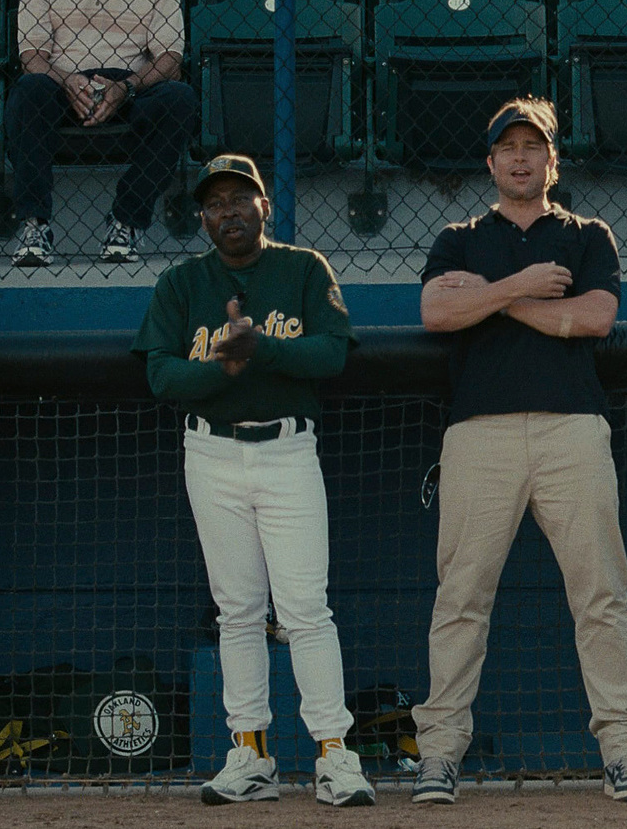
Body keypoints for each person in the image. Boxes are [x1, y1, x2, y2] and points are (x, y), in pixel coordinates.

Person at [410, 97, 627, 805]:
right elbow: (435, 311)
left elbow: (594, 317)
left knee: (601, 592)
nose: (521, 157)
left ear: (553, 159)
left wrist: (489, 301)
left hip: (570, 427)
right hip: (478, 430)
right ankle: (439, 755)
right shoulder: (459, 237)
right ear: (491, 162)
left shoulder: (586, 235)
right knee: (461, 596)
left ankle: (624, 749)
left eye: (533, 146)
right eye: (508, 147)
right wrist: (519, 289)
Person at [132, 154, 374, 807]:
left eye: (241, 199)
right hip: (210, 451)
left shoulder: (301, 268)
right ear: (202, 217)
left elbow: (331, 352)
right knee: (238, 609)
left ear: (265, 207)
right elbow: (160, 376)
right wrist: (225, 365)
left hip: (287, 447)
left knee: (304, 608)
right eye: (215, 204)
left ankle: (334, 754)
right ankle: (252, 756)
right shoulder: (182, 283)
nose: (229, 212)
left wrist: (259, 349)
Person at [9, 0, 198, 267]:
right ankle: (35, 226)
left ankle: (127, 220)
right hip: (61, 80)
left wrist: (127, 87)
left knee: (179, 97)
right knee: (27, 90)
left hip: (131, 83)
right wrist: (68, 82)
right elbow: (31, 56)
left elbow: (170, 58)